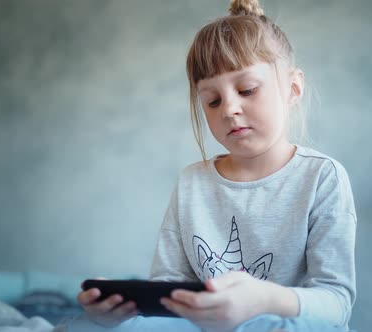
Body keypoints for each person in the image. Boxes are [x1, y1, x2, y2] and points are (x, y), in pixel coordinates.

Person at [74, 0, 356, 331]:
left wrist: (264, 298)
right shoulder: (192, 183)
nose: (229, 109)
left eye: (247, 90)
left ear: (292, 88)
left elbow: (336, 304)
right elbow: (169, 291)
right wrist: (120, 313)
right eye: (213, 100)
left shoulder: (323, 177)